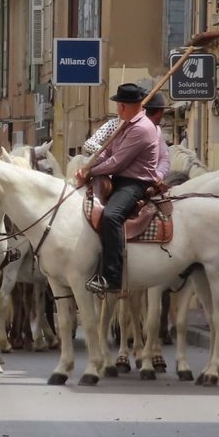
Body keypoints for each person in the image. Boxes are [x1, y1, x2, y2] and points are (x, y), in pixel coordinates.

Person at [74, 82, 160, 296]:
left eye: (119, 104)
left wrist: (91, 172)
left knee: (111, 216)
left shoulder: (141, 128)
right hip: (120, 179)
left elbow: (117, 162)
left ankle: (112, 278)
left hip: (136, 183)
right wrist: (89, 166)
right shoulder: (126, 124)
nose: (117, 109)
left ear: (124, 106)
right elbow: (107, 152)